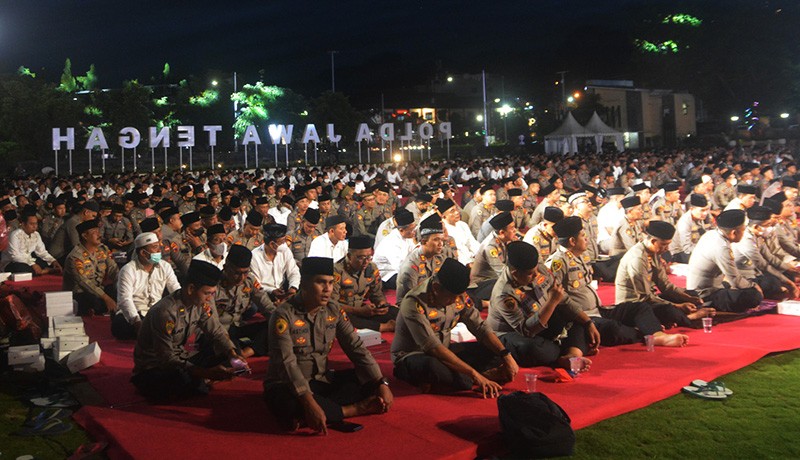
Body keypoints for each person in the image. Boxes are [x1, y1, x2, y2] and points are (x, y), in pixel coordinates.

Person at [263, 257, 393, 434]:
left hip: (321, 380)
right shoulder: (283, 315)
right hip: (288, 384)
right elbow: (287, 364)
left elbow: (356, 347)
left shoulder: (334, 309)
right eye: (321, 283)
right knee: (286, 403)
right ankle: (351, 410)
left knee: (365, 380)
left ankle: (315, 414)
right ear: (305, 284)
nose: (327, 289)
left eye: (331, 283)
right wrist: (308, 401)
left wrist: (380, 383)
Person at [547, 216, 689, 350]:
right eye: (583, 237)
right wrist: (585, 319)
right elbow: (560, 299)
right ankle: (644, 334)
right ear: (572, 241)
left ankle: (656, 335)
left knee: (640, 308)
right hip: (583, 316)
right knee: (613, 328)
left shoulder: (577, 258)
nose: (587, 240)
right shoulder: (557, 263)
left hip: (598, 310)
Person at [392, 258, 519, 397]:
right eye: (452, 297)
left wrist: (506, 355)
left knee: (496, 349)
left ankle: (452, 379)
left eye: (459, 296)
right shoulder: (414, 302)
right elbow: (432, 347)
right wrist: (474, 375)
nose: (456, 300)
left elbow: (480, 328)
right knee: (432, 367)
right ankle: (470, 378)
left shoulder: (458, 295)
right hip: (416, 356)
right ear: (436, 288)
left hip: (445, 350)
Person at [132, 260, 248, 401]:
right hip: (154, 367)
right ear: (191, 289)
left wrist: (232, 354)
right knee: (182, 380)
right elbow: (166, 358)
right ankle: (201, 382)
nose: (210, 298)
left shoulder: (200, 303)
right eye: (207, 293)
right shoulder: (165, 312)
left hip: (182, 358)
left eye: (212, 294)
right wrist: (205, 373)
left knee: (229, 352)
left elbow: (216, 331)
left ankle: (201, 381)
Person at [487, 241, 591, 371]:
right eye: (530, 273)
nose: (536, 275)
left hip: (541, 321)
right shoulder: (503, 294)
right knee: (532, 348)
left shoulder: (538, 267)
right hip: (512, 334)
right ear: (515, 274)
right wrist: (552, 302)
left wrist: (588, 323)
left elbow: (563, 299)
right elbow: (526, 331)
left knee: (578, 320)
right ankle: (569, 350)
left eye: (536, 270)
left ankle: (572, 355)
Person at [615, 221, 713, 328]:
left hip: (650, 298)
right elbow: (645, 297)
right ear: (653, 241)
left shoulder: (654, 252)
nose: (667, 249)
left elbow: (665, 286)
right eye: (664, 245)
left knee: (691, 294)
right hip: (633, 305)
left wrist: (688, 298)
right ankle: (690, 317)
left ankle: (680, 313)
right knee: (669, 310)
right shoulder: (637, 259)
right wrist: (678, 306)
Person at [686, 209, 764, 312]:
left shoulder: (712, 234)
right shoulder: (722, 248)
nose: (744, 233)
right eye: (743, 229)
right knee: (753, 295)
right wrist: (753, 286)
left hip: (710, 286)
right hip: (705, 295)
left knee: (742, 285)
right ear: (733, 232)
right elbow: (736, 281)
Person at [114, 232, 181, 339]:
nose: (159, 251)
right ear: (143, 253)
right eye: (155, 248)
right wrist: (137, 322)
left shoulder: (165, 266)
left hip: (156, 312)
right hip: (135, 313)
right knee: (121, 326)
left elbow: (176, 290)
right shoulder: (128, 270)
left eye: (159, 247)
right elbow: (125, 299)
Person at [214, 244, 275, 358]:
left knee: (274, 324)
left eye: (245, 272)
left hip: (238, 327)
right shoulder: (213, 285)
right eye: (237, 273)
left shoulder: (249, 281)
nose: (241, 278)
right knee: (222, 352)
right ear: (226, 267)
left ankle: (247, 352)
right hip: (220, 331)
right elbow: (211, 323)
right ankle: (241, 351)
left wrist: (279, 321)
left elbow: (266, 305)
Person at [331, 235, 397, 332]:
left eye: (369, 257)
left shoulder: (372, 268)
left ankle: (377, 325)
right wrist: (358, 311)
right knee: (341, 318)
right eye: (361, 258)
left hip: (363, 310)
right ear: (349, 256)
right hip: (345, 310)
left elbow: (377, 294)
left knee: (396, 312)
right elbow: (332, 304)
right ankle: (383, 327)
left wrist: (381, 305)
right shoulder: (337, 271)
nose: (366, 262)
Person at [732, 206, 799, 300]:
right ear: (756, 226)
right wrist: (789, 283)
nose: (770, 228)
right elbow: (763, 265)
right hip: (745, 275)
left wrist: (788, 268)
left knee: (785, 275)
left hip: (757, 272)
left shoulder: (758, 236)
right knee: (772, 283)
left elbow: (770, 257)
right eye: (767, 225)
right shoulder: (745, 240)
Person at [63, 219, 120, 316]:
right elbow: (84, 283)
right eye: (95, 232)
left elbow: (113, 269)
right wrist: (106, 298)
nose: (99, 235)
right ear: (85, 236)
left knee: (116, 290)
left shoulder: (103, 249)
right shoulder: (75, 257)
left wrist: (122, 284)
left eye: (99, 231)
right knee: (91, 300)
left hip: (99, 290)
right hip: (81, 293)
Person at [469, 211, 517, 305]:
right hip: (482, 284)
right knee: (509, 287)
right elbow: (502, 272)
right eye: (512, 228)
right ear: (502, 232)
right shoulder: (490, 247)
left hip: (495, 279)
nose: (515, 230)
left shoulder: (504, 240)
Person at [396, 213, 446, 302]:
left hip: (431, 298)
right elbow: (412, 297)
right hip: (412, 304)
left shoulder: (439, 257)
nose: (440, 244)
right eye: (436, 239)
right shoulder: (411, 265)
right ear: (423, 241)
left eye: (441, 240)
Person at [250, 223, 301, 303]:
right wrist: (272, 291)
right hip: (263, 294)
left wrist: (293, 288)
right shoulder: (254, 257)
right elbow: (255, 284)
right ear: (272, 244)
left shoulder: (285, 251)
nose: (285, 244)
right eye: (282, 242)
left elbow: (293, 272)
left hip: (283, 291)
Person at [0, 209, 62, 274]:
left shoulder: (36, 234)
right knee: (22, 268)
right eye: (32, 224)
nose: (35, 226)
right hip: (12, 262)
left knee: (44, 263)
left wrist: (53, 261)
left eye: (36, 223)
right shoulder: (15, 235)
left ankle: (43, 270)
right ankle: (45, 271)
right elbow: (14, 256)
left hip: (29, 260)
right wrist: (32, 264)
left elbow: (42, 252)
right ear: (23, 224)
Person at [373, 209, 416, 289]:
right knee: (412, 281)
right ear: (401, 230)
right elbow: (399, 267)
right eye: (412, 230)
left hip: (403, 268)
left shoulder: (407, 236)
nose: (414, 232)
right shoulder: (391, 242)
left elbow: (415, 252)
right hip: (387, 274)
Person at [668, 194, 713, 263]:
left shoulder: (699, 217)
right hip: (680, 253)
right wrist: (705, 250)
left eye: (706, 210)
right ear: (691, 209)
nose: (705, 213)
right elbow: (687, 249)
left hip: (695, 248)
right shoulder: (685, 222)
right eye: (702, 210)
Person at [439, 198, 479, 267]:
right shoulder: (444, 230)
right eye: (452, 211)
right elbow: (454, 254)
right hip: (460, 264)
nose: (457, 212)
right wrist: (467, 264)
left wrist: (480, 254)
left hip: (472, 258)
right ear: (443, 216)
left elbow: (472, 242)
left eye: (456, 209)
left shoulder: (462, 224)